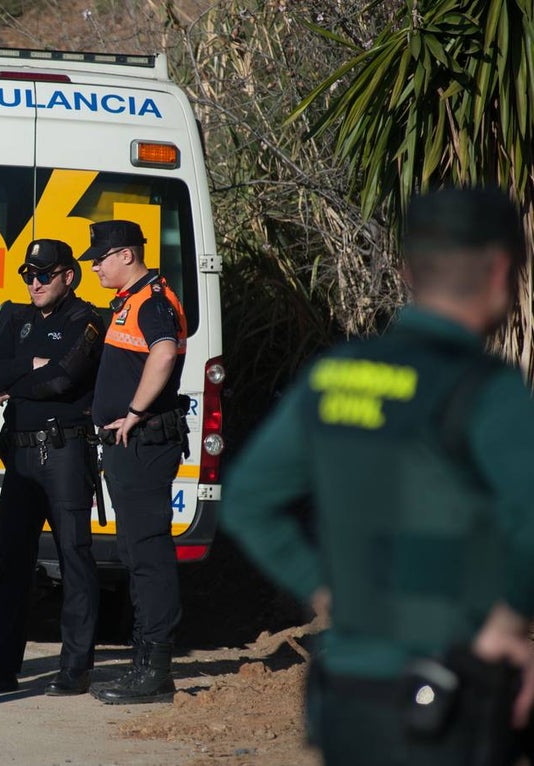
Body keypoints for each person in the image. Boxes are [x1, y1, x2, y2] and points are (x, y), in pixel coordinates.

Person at [222, 186, 534, 765]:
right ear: (501, 270)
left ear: (406, 270)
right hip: (452, 691)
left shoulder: (335, 376)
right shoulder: (489, 392)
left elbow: (248, 500)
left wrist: (322, 585)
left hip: (348, 694)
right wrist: (508, 624)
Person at [0, 239, 105, 696]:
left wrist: (16, 381)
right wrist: (30, 366)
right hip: (18, 455)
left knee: (74, 559)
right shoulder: (15, 318)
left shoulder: (87, 319)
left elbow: (63, 378)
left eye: (44, 275)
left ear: (68, 276)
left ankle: (75, 668)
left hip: (64, 451)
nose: (34, 283)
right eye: (28, 276)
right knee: (12, 561)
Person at [77, 219, 190, 704]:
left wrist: (134, 412)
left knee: (147, 554)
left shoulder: (153, 300)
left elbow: (164, 353)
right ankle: (144, 662)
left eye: (99, 258)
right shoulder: (130, 300)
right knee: (135, 551)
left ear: (126, 255)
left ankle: (154, 669)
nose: (95, 266)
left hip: (145, 444)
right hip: (131, 448)